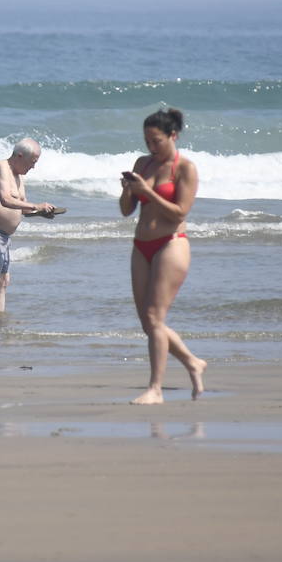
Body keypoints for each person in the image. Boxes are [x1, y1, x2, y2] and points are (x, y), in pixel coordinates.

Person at [119, 108, 207, 404]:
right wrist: (129, 191)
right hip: (141, 245)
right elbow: (126, 210)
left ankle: (156, 389)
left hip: (171, 243)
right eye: (146, 141)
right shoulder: (142, 164)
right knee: (148, 322)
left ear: (173, 135)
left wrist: (148, 191)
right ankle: (192, 362)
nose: (150, 147)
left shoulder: (185, 168)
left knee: (156, 317)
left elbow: (180, 211)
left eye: (156, 141)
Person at [0, 138, 56, 313]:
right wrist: (36, 205)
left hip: (3, 235)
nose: (33, 167)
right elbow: (6, 199)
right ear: (19, 156)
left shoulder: (18, 177)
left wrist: (42, 213)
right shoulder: (1, 168)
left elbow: (23, 209)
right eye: (32, 162)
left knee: (3, 281)